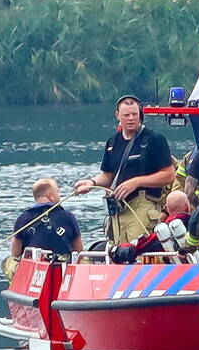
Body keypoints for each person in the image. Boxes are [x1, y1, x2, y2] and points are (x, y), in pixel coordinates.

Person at [73, 95, 175, 244]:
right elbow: (108, 176)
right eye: (126, 115)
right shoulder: (112, 142)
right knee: (117, 252)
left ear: (141, 114)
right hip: (118, 211)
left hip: (142, 207)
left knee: (138, 252)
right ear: (117, 115)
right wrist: (91, 183)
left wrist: (136, 182)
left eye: (135, 114)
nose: (131, 118)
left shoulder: (154, 140)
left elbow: (169, 175)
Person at [4, 178, 83, 280]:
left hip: (34, 271)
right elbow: (78, 249)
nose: (60, 195)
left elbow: (15, 252)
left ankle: (17, 285)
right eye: (58, 191)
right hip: (63, 269)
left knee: (8, 261)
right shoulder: (68, 217)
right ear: (51, 196)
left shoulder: (23, 219)